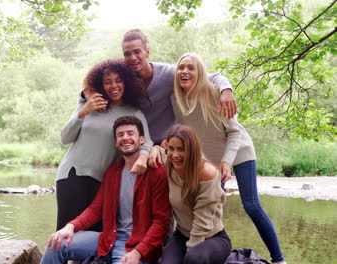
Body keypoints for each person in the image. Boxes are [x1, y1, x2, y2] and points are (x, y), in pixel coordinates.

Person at [151, 52, 286, 264]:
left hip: (238, 153)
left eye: (191, 67)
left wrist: (226, 162)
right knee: (211, 208)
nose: (185, 71)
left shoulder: (214, 93)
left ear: (201, 72)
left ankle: (279, 259)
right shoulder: (176, 100)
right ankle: (206, 251)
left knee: (251, 205)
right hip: (211, 161)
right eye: (181, 68)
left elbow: (234, 133)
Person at [41, 116, 171, 264]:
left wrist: (138, 252)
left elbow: (161, 223)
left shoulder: (157, 172)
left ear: (142, 140)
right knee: (55, 244)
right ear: (116, 143)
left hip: (137, 246)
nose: (125, 138)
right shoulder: (113, 172)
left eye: (130, 133)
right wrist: (71, 226)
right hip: (108, 238)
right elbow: (96, 209)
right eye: (120, 135)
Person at [84, 29, 237, 145]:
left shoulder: (168, 74)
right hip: (137, 144)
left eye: (137, 52)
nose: (132, 58)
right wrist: (89, 94)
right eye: (127, 54)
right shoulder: (124, 79)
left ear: (147, 52)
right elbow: (93, 87)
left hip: (167, 144)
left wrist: (226, 91)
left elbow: (211, 77)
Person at [56, 59, 153, 232]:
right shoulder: (88, 104)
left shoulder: (134, 113)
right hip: (72, 174)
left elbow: (147, 140)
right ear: (100, 85)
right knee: (66, 234)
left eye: (118, 80)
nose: (113, 86)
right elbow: (65, 138)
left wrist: (143, 157)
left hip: (104, 182)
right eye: (107, 82)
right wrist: (84, 112)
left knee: (96, 235)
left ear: (126, 82)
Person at [154, 125, 231, 264]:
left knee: (194, 259)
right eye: (171, 148)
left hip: (212, 237)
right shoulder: (170, 166)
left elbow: (202, 222)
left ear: (193, 150)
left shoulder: (207, 173)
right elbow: (159, 152)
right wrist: (154, 149)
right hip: (181, 235)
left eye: (181, 149)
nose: (175, 154)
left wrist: (189, 252)